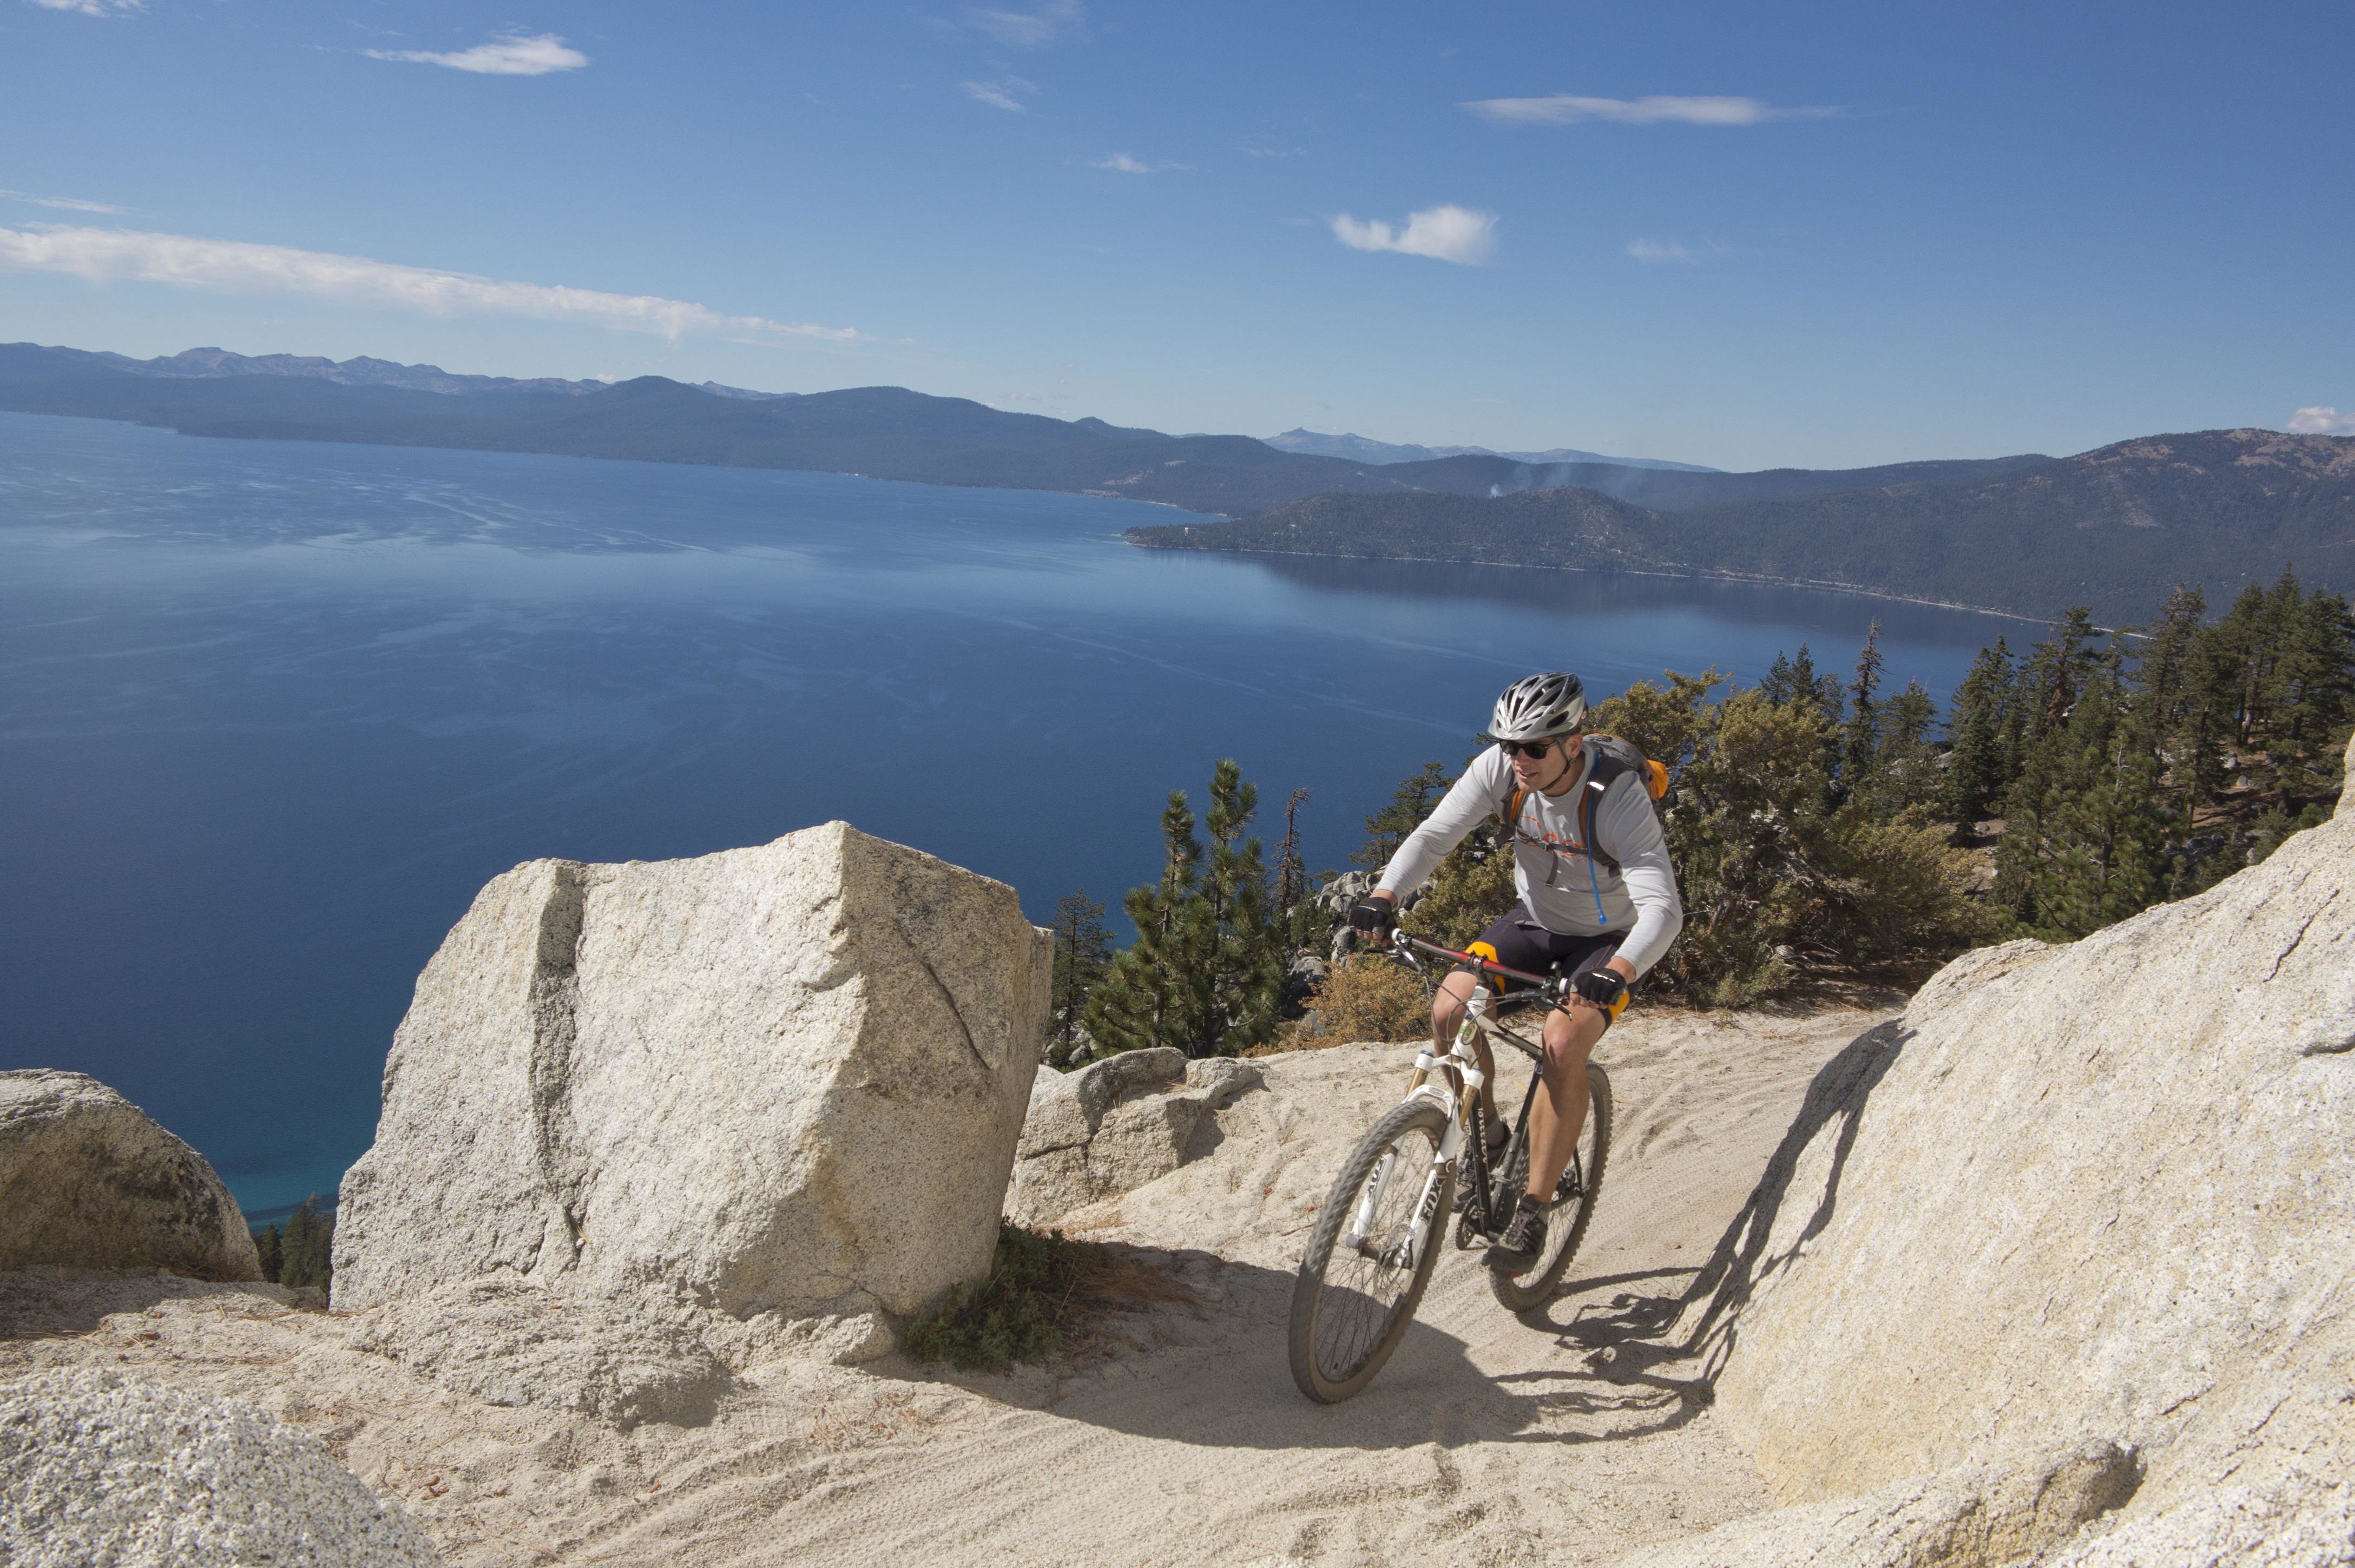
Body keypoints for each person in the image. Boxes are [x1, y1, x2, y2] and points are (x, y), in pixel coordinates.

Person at [1346, 671, 1683, 1273]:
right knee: (1450, 1011)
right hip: (1535, 921)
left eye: (1532, 747)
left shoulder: (1615, 796)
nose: (1516, 759)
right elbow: (1435, 836)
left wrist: (1621, 970)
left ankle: (1533, 1206)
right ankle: (1493, 1135)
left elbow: (1662, 909)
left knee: (1561, 1042)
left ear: (1572, 744)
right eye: (1506, 744)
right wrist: (1385, 894)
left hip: (1607, 942)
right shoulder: (1500, 772)